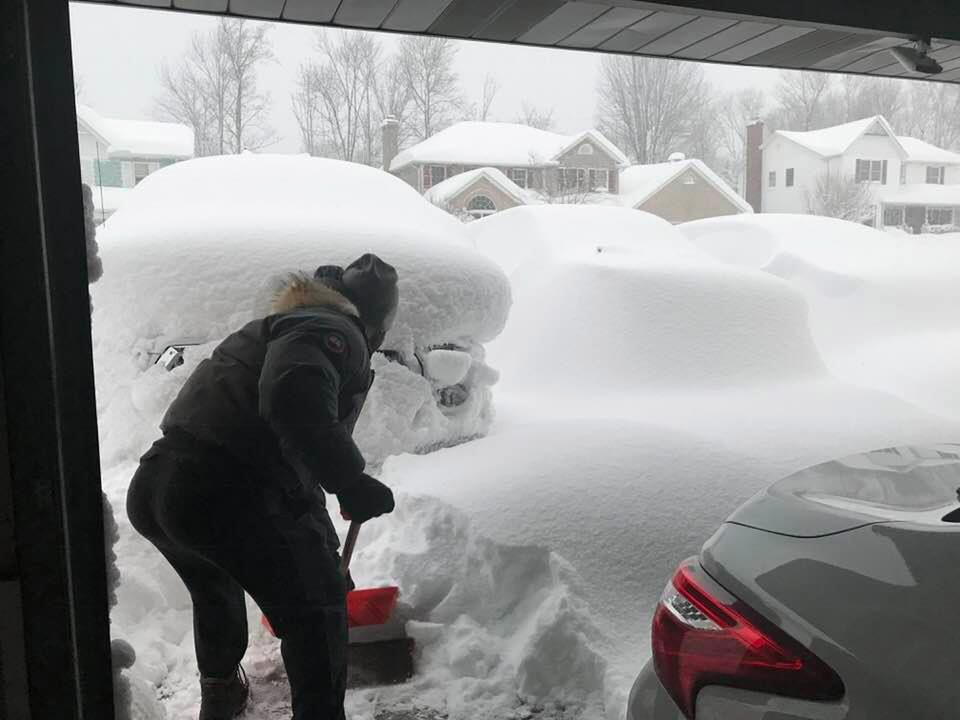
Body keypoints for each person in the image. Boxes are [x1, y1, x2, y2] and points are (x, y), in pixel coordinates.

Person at [127, 253, 399, 720]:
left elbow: (292, 459)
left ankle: (221, 694)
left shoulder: (285, 325)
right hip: (227, 491)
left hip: (160, 487)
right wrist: (350, 480)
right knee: (316, 612)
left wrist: (323, 547)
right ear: (376, 321)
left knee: (215, 586)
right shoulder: (333, 333)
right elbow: (292, 395)